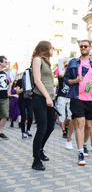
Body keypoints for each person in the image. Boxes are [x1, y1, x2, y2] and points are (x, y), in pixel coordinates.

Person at [64, 40, 92, 166]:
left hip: (90, 98)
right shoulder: (73, 62)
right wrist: (75, 80)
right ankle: (80, 152)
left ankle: (85, 144)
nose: (83, 48)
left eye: (86, 46)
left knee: (89, 125)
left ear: (90, 48)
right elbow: (66, 80)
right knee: (80, 123)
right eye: (81, 46)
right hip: (77, 97)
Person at [31, 41, 56, 170]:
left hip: (50, 98)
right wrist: (47, 96)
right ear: (46, 49)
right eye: (52, 48)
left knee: (51, 126)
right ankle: (36, 159)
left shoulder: (47, 62)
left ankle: (40, 149)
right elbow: (37, 80)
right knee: (42, 127)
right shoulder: (37, 59)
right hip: (40, 98)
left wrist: (52, 95)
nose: (53, 50)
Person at [56, 63, 72, 140]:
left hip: (69, 97)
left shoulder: (71, 77)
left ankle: (65, 125)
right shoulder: (61, 76)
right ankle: (64, 131)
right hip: (61, 96)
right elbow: (61, 75)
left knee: (70, 115)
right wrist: (65, 68)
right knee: (62, 114)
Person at [0, 56, 10, 140]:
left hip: (4, 97)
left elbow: (6, 84)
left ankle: (0, 132)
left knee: (5, 115)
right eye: (5, 62)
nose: (7, 63)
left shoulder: (4, 73)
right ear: (1, 63)